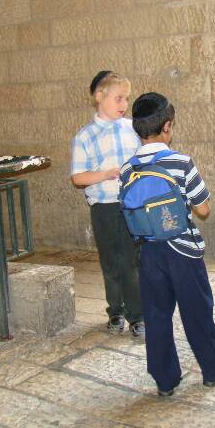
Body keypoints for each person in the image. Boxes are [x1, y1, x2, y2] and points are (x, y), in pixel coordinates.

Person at [120, 92, 215, 396]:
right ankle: (214, 370)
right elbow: (203, 209)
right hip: (183, 251)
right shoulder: (181, 162)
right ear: (167, 126)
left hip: (148, 252)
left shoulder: (127, 169)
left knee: (156, 315)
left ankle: (165, 380)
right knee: (196, 310)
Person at [71, 71, 144, 337]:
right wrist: (104, 174)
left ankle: (138, 316)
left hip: (132, 205)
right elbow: (78, 177)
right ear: (99, 97)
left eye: (126, 98)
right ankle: (116, 311)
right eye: (119, 98)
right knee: (111, 262)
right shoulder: (85, 136)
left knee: (132, 262)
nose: (124, 104)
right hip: (104, 207)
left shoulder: (133, 129)